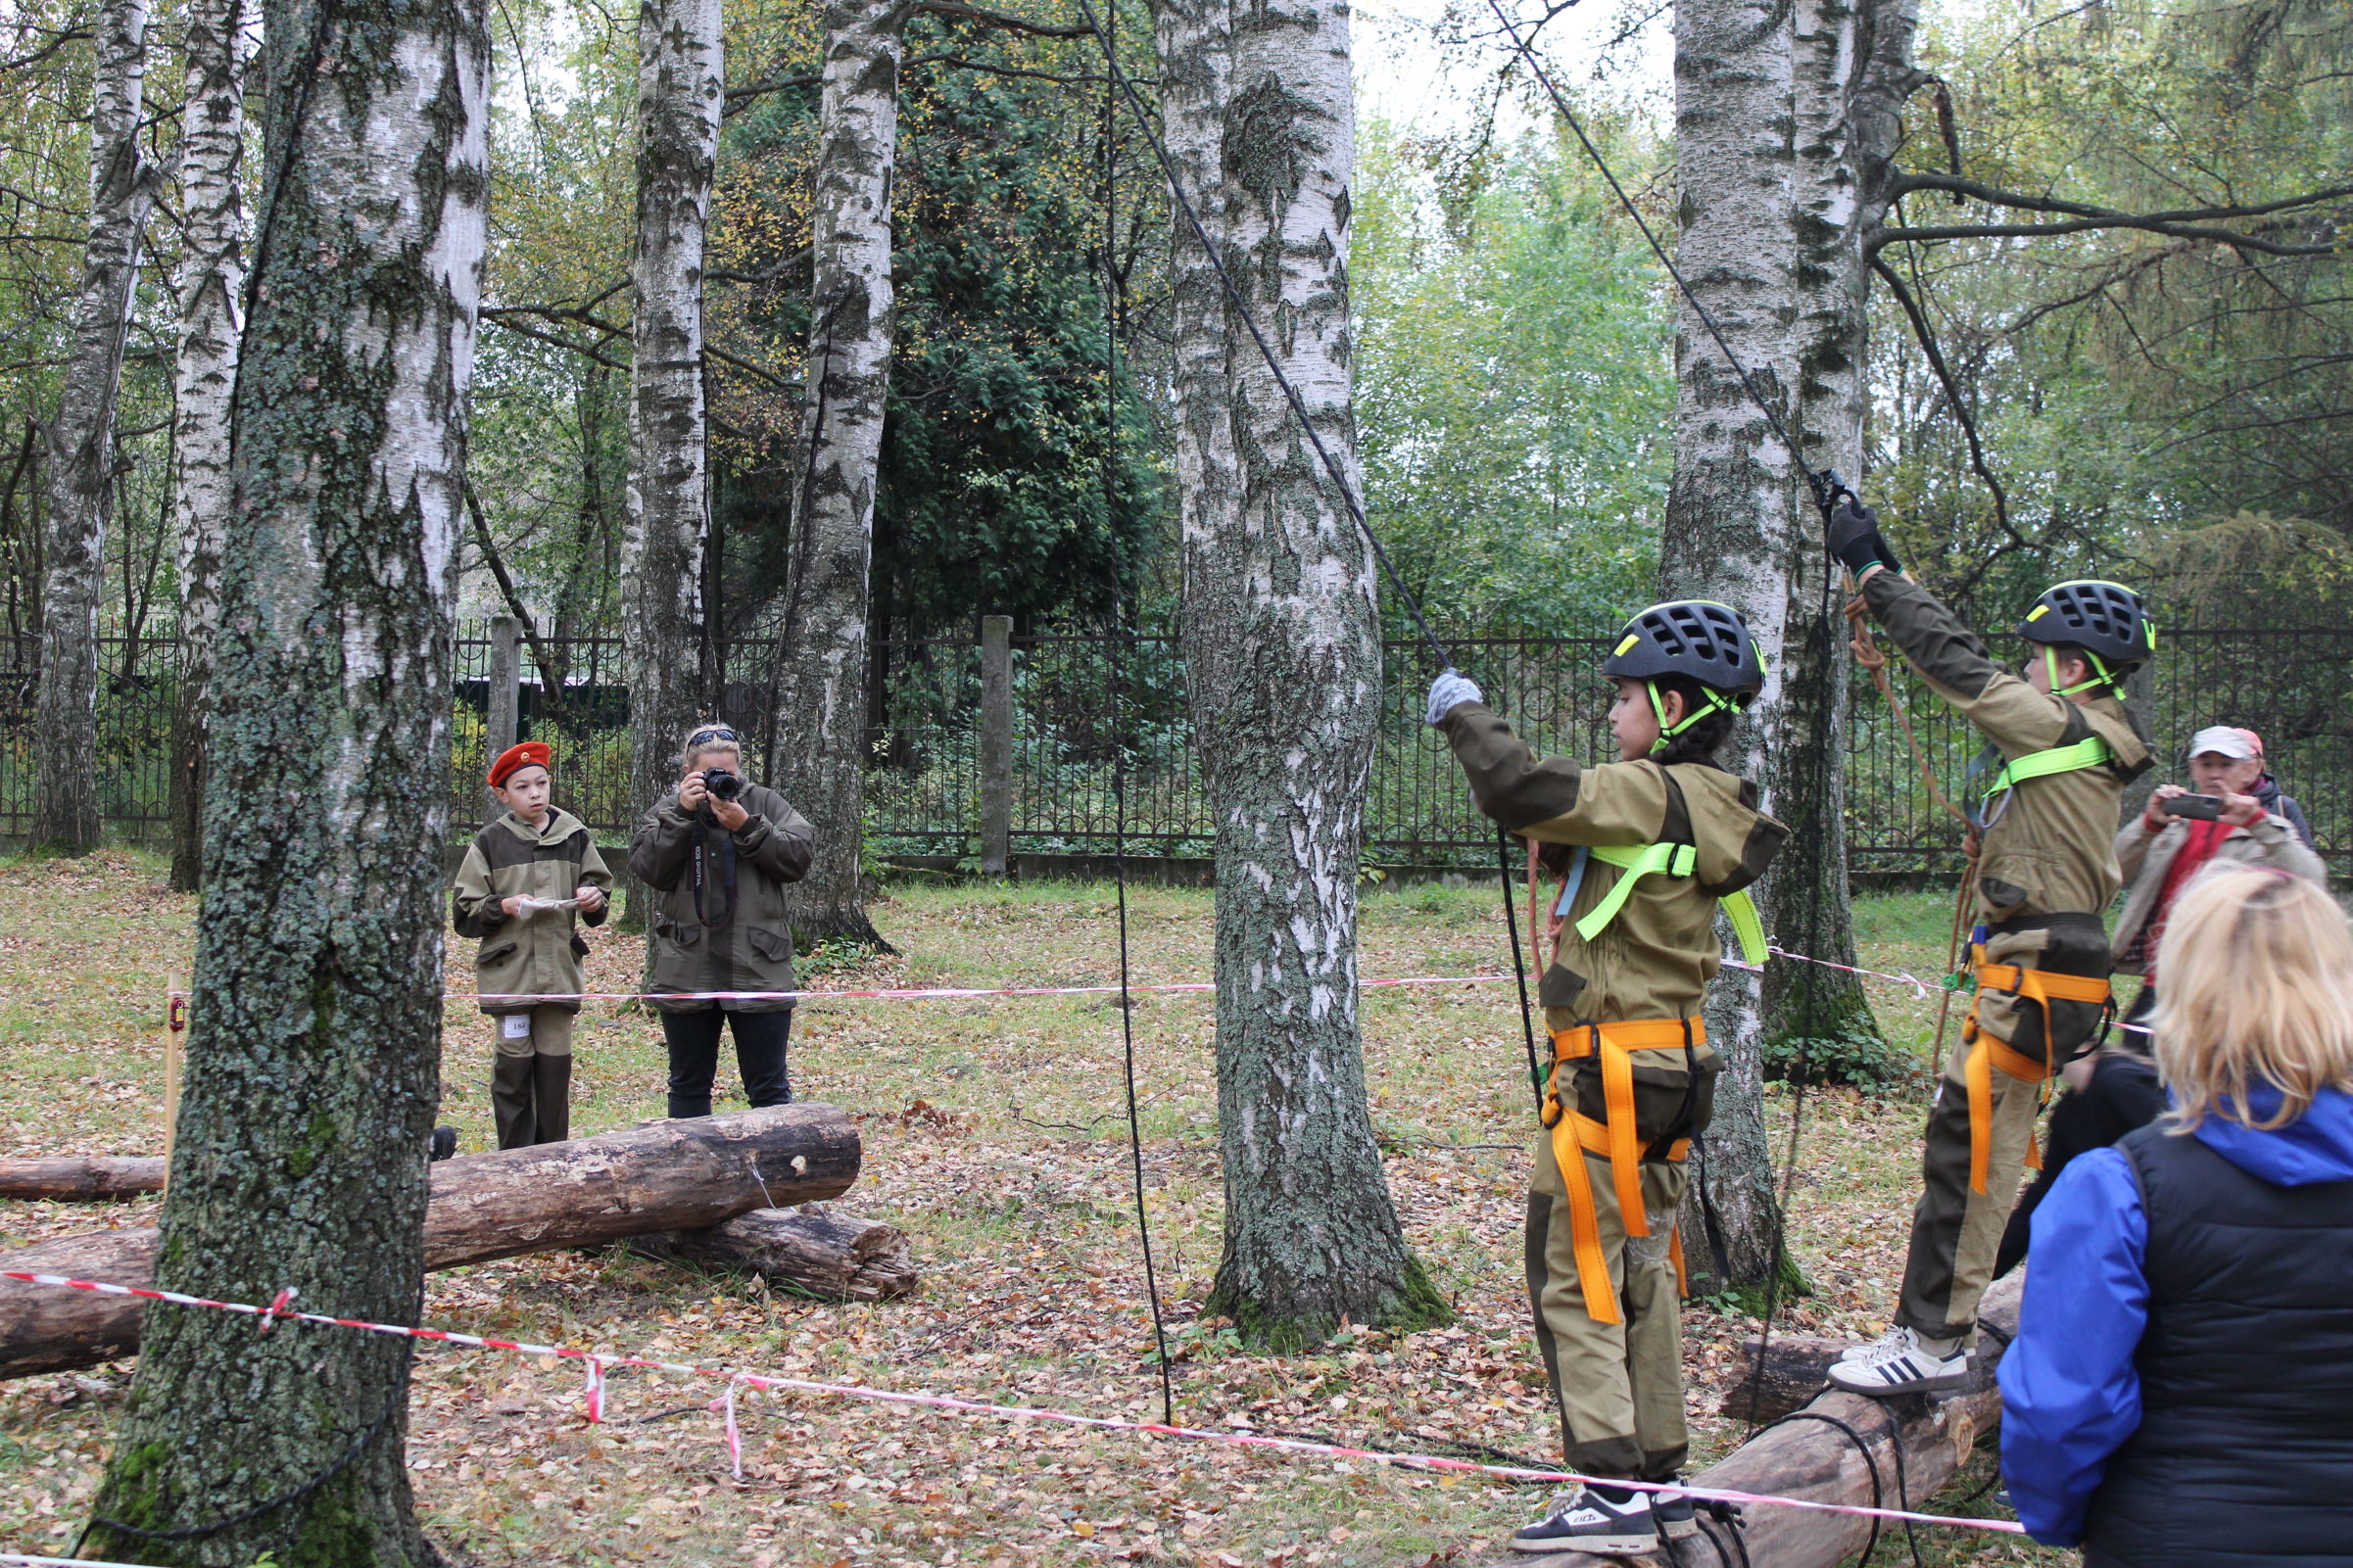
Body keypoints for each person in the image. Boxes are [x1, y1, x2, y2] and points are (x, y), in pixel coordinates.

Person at [1426, 600, 1787, 1557]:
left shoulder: (1645, 788)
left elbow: (1519, 785)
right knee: (1637, 1263)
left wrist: (1462, 712)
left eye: (1624, 695)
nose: (1613, 711)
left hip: (1610, 1072)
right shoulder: (1708, 797)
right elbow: (1573, 831)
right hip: (1674, 1067)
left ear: (1670, 703)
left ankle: (1609, 1483)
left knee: (1571, 1262)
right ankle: (1657, 1466)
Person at [1824, 501, 2155, 1399]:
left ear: (2074, 665)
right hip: (2044, 969)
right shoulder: (2084, 746)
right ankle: (1930, 1329)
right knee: (1970, 1143)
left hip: (2036, 974)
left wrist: (1870, 570)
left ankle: (1933, 1342)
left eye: (2039, 657)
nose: (2025, 670)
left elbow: (1951, 658)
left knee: (1973, 1152)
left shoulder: (2060, 726)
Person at [1998, 864, 2353, 1566]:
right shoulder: (2123, 1184)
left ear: (2184, 992)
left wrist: (2066, 1516)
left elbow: (2061, 1405)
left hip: (2172, 1530)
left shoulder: (2117, 1185)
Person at [1991, 722, 2328, 1276]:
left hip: (2233, 1007)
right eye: (2205, 764)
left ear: (2254, 768)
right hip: (2159, 994)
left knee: (2167, 1123)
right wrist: (2148, 823)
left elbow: (2309, 884)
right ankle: (1995, 1274)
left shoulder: (2278, 816)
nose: (2214, 775)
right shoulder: (2181, 819)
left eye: (2227, 764)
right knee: (2093, 1117)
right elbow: (2108, 873)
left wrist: (2262, 826)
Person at [628, 724, 815, 1117]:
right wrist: (681, 815)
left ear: (739, 769)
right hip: (687, 966)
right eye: (708, 774)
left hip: (757, 964)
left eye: (727, 775)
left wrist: (746, 825)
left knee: (768, 1086)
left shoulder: (765, 803)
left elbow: (797, 859)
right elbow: (648, 869)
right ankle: (693, 1174)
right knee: (688, 1085)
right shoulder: (667, 811)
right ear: (687, 771)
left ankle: (777, 1175)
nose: (718, 782)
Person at [451, 740, 612, 1149]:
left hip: (558, 973)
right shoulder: (489, 842)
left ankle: (552, 1155)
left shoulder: (575, 835)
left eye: (541, 783)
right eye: (522, 787)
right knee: (513, 1069)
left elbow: (599, 893)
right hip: (510, 975)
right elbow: (464, 914)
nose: (535, 793)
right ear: (503, 795)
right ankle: (513, 1157)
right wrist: (503, 906)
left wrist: (594, 898)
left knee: (555, 1069)